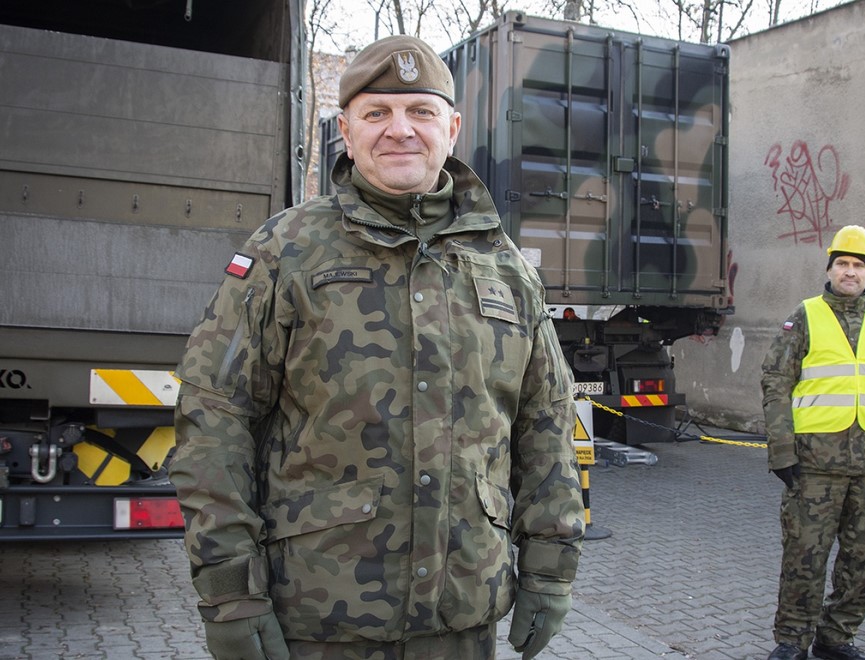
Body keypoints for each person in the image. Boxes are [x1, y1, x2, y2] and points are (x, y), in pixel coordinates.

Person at [169, 35, 585, 660]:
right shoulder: (285, 251)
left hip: (461, 616)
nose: (400, 131)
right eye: (377, 112)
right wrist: (230, 591)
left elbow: (545, 422)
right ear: (347, 129)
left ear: (452, 126)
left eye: (420, 111)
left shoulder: (504, 268)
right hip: (319, 616)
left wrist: (550, 570)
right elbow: (215, 417)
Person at [761, 225, 865, 660]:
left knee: (862, 560)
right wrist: (781, 451)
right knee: (804, 558)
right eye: (843, 264)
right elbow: (776, 382)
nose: (850, 272)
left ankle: (837, 637)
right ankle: (792, 639)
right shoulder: (807, 316)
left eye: (858, 265)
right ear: (829, 269)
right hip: (815, 467)